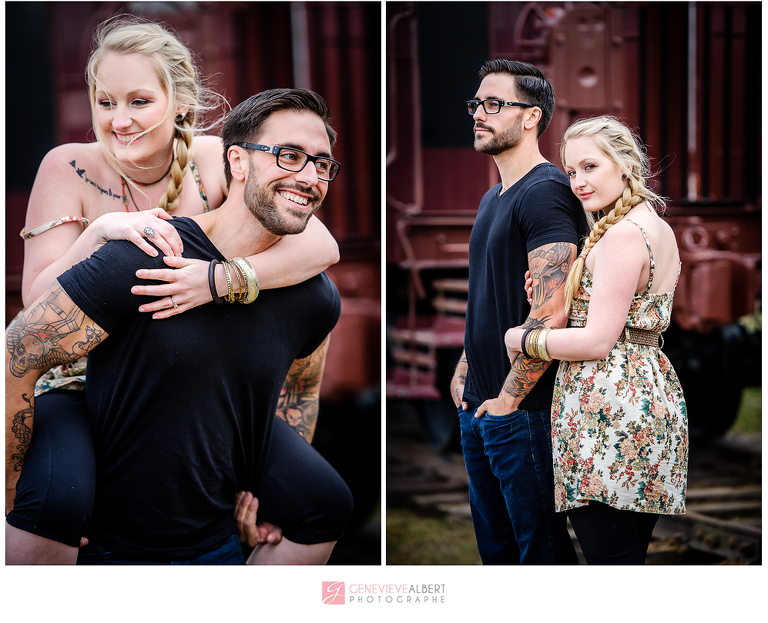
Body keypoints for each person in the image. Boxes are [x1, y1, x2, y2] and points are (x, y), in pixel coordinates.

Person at [6, 17, 339, 564]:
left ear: (179, 103)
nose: (119, 119)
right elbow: (36, 307)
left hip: (184, 375)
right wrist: (97, 232)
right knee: (55, 503)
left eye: (138, 100)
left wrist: (218, 280)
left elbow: (321, 246)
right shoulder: (67, 164)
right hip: (76, 381)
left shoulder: (215, 158)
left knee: (324, 500)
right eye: (105, 101)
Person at [505, 116, 688, 564]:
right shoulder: (654, 228)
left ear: (624, 165)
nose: (578, 182)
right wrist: (567, 294)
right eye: (571, 172)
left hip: (608, 411)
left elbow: (597, 342)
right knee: (625, 559)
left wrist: (523, 339)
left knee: (611, 565)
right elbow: (625, 314)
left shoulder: (622, 236)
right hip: (648, 397)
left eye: (590, 167)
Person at [449, 59, 585, 564]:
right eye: (476, 105)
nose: (479, 114)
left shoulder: (545, 192)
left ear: (531, 117)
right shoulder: (492, 198)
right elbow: (487, 293)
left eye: (494, 104)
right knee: (499, 555)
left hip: (523, 412)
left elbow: (551, 312)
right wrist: (466, 367)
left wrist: (508, 399)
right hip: (480, 407)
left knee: (540, 557)